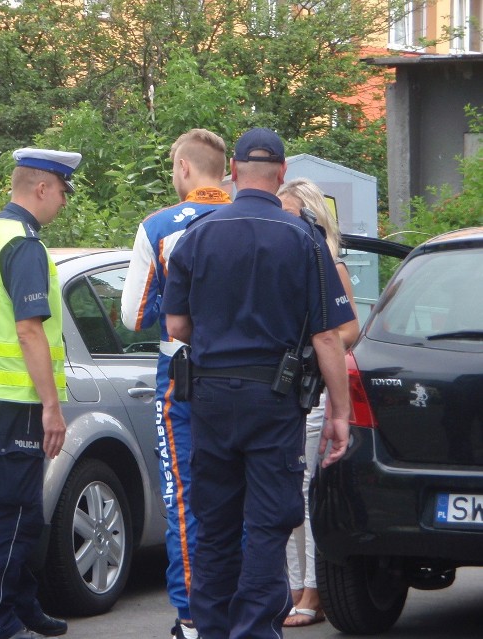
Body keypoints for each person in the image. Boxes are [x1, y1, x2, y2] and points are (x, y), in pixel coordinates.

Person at [161, 128, 355, 639]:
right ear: (282, 173)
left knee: (216, 527)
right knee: (268, 526)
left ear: (234, 174)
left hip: (209, 399)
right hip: (273, 400)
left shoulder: (196, 235)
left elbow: (176, 327)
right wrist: (340, 412)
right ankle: (254, 631)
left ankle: (211, 629)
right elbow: (329, 338)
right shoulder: (304, 239)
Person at [0, 148, 82, 639]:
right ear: (42, 188)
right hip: (18, 397)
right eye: (63, 192)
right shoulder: (24, 244)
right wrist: (51, 406)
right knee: (11, 513)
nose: (64, 203)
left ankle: (22, 605)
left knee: (18, 508)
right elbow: (29, 330)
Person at [121, 129, 230, 639]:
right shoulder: (266, 218)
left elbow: (134, 315)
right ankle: (250, 610)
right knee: (252, 495)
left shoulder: (160, 226)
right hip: (256, 383)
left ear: (184, 169)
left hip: (184, 383)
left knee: (184, 498)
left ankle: (192, 617)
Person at [277, 178, 359, 628]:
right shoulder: (288, 261)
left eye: (288, 211)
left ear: (308, 214)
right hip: (289, 391)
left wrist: (311, 344)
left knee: (306, 495)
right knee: (289, 495)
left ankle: (313, 590)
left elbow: (350, 330)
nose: (281, 218)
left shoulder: (329, 263)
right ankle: (292, 587)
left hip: (316, 391)